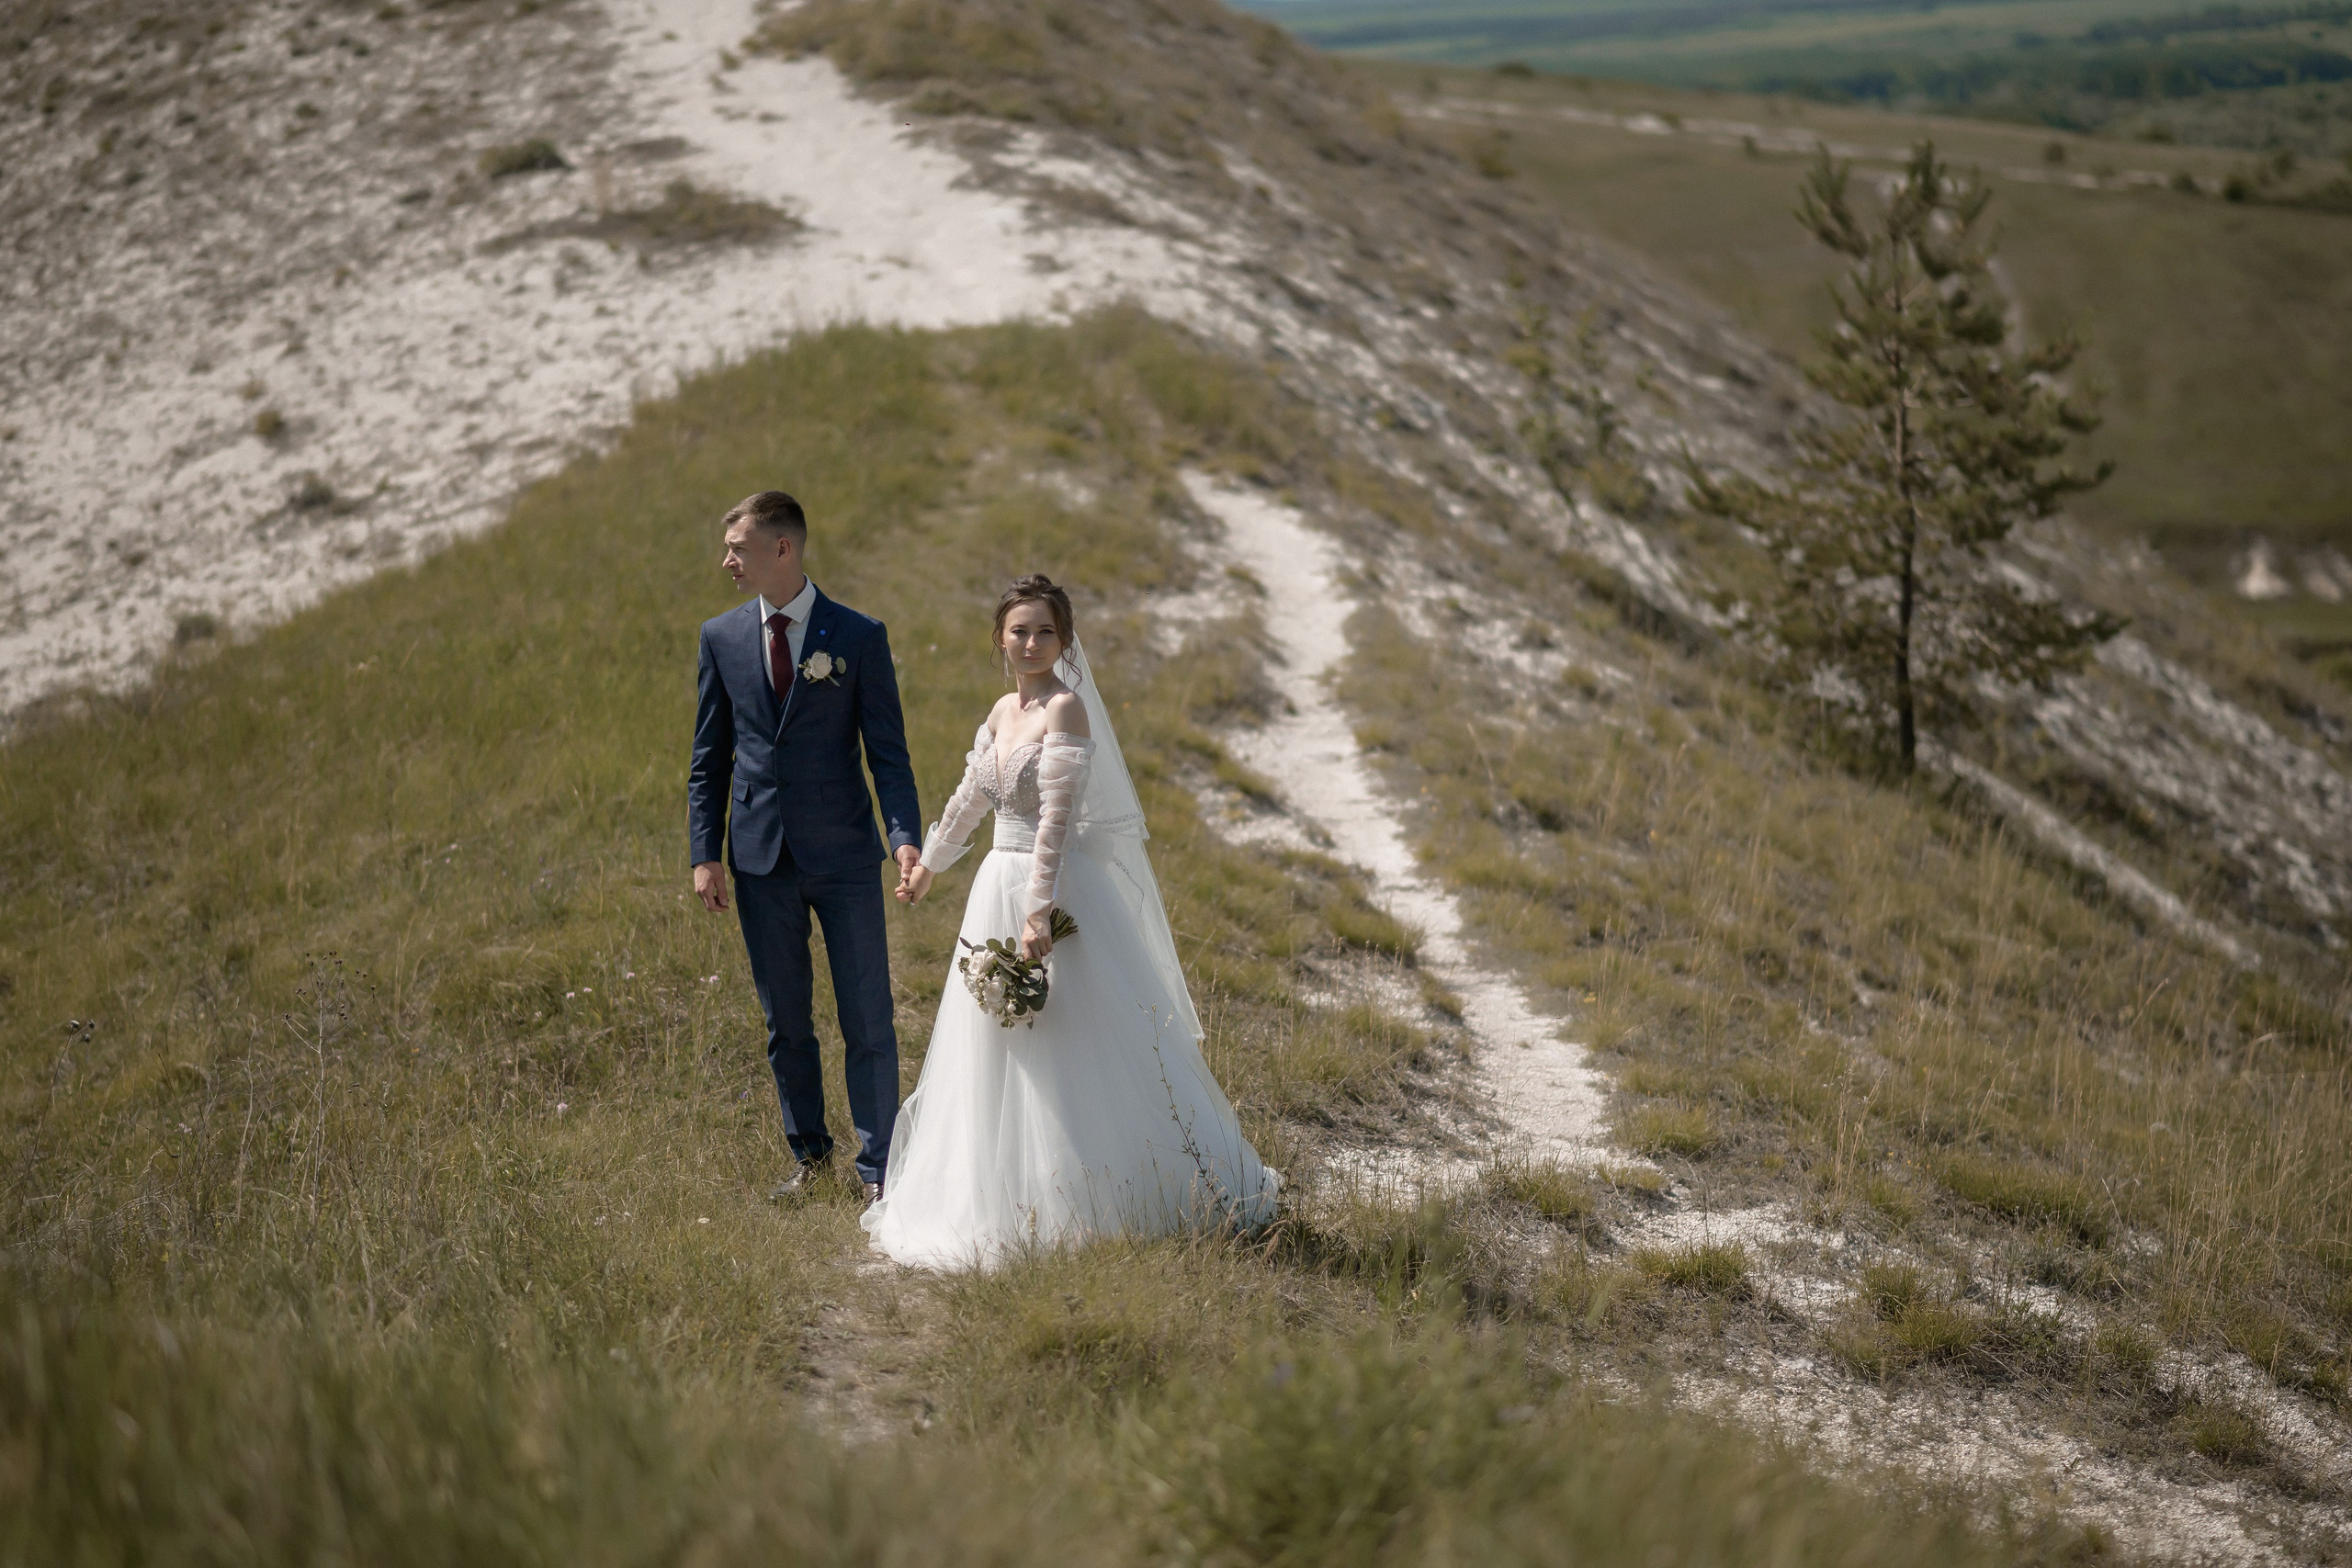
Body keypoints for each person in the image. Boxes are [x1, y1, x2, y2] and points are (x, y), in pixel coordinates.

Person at [865, 575, 1278, 1268]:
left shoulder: (1067, 710)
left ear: (1065, 639)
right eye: (1020, 630)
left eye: (1046, 631)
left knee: (1069, 1040)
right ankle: (994, 1191)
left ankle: (1095, 1194)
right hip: (992, 883)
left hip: (1047, 889)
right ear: (1000, 636)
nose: (1031, 643)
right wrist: (931, 862)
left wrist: (1037, 910)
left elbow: (1056, 820)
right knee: (993, 1042)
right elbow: (974, 794)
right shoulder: (1001, 710)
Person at [687, 491, 922, 1206]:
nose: (727, 560)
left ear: (782, 548)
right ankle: (811, 1159)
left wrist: (905, 837)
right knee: (785, 1021)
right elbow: (709, 757)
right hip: (759, 860)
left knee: (867, 1015)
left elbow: (888, 754)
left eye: (738, 547)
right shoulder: (720, 637)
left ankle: (880, 1167)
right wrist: (705, 852)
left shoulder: (858, 635)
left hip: (846, 856)